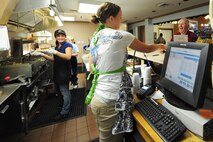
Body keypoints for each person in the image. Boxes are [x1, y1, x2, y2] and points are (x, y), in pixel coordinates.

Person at [86, 2, 166, 142]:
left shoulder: (95, 37)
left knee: (109, 137)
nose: (121, 21)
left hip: (98, 97)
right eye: (120, 17)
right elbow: (146, 49)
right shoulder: (121, 35)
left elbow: (93, 67)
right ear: (111, 18)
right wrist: (161, 45)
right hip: (109, 101)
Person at [31, 29, 73, 121]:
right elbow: (53, 59)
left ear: (65, 36)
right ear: (56, 37)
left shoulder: (68, 45)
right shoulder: (57, 46)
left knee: (65, 92)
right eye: (58, 36)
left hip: (64, 72)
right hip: (57, 72)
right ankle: (62, 106)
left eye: (62, 35)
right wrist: (42, 54)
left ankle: (65, 112)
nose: (60, 37)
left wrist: (55, 52)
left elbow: (68, 56)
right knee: (58, 91)